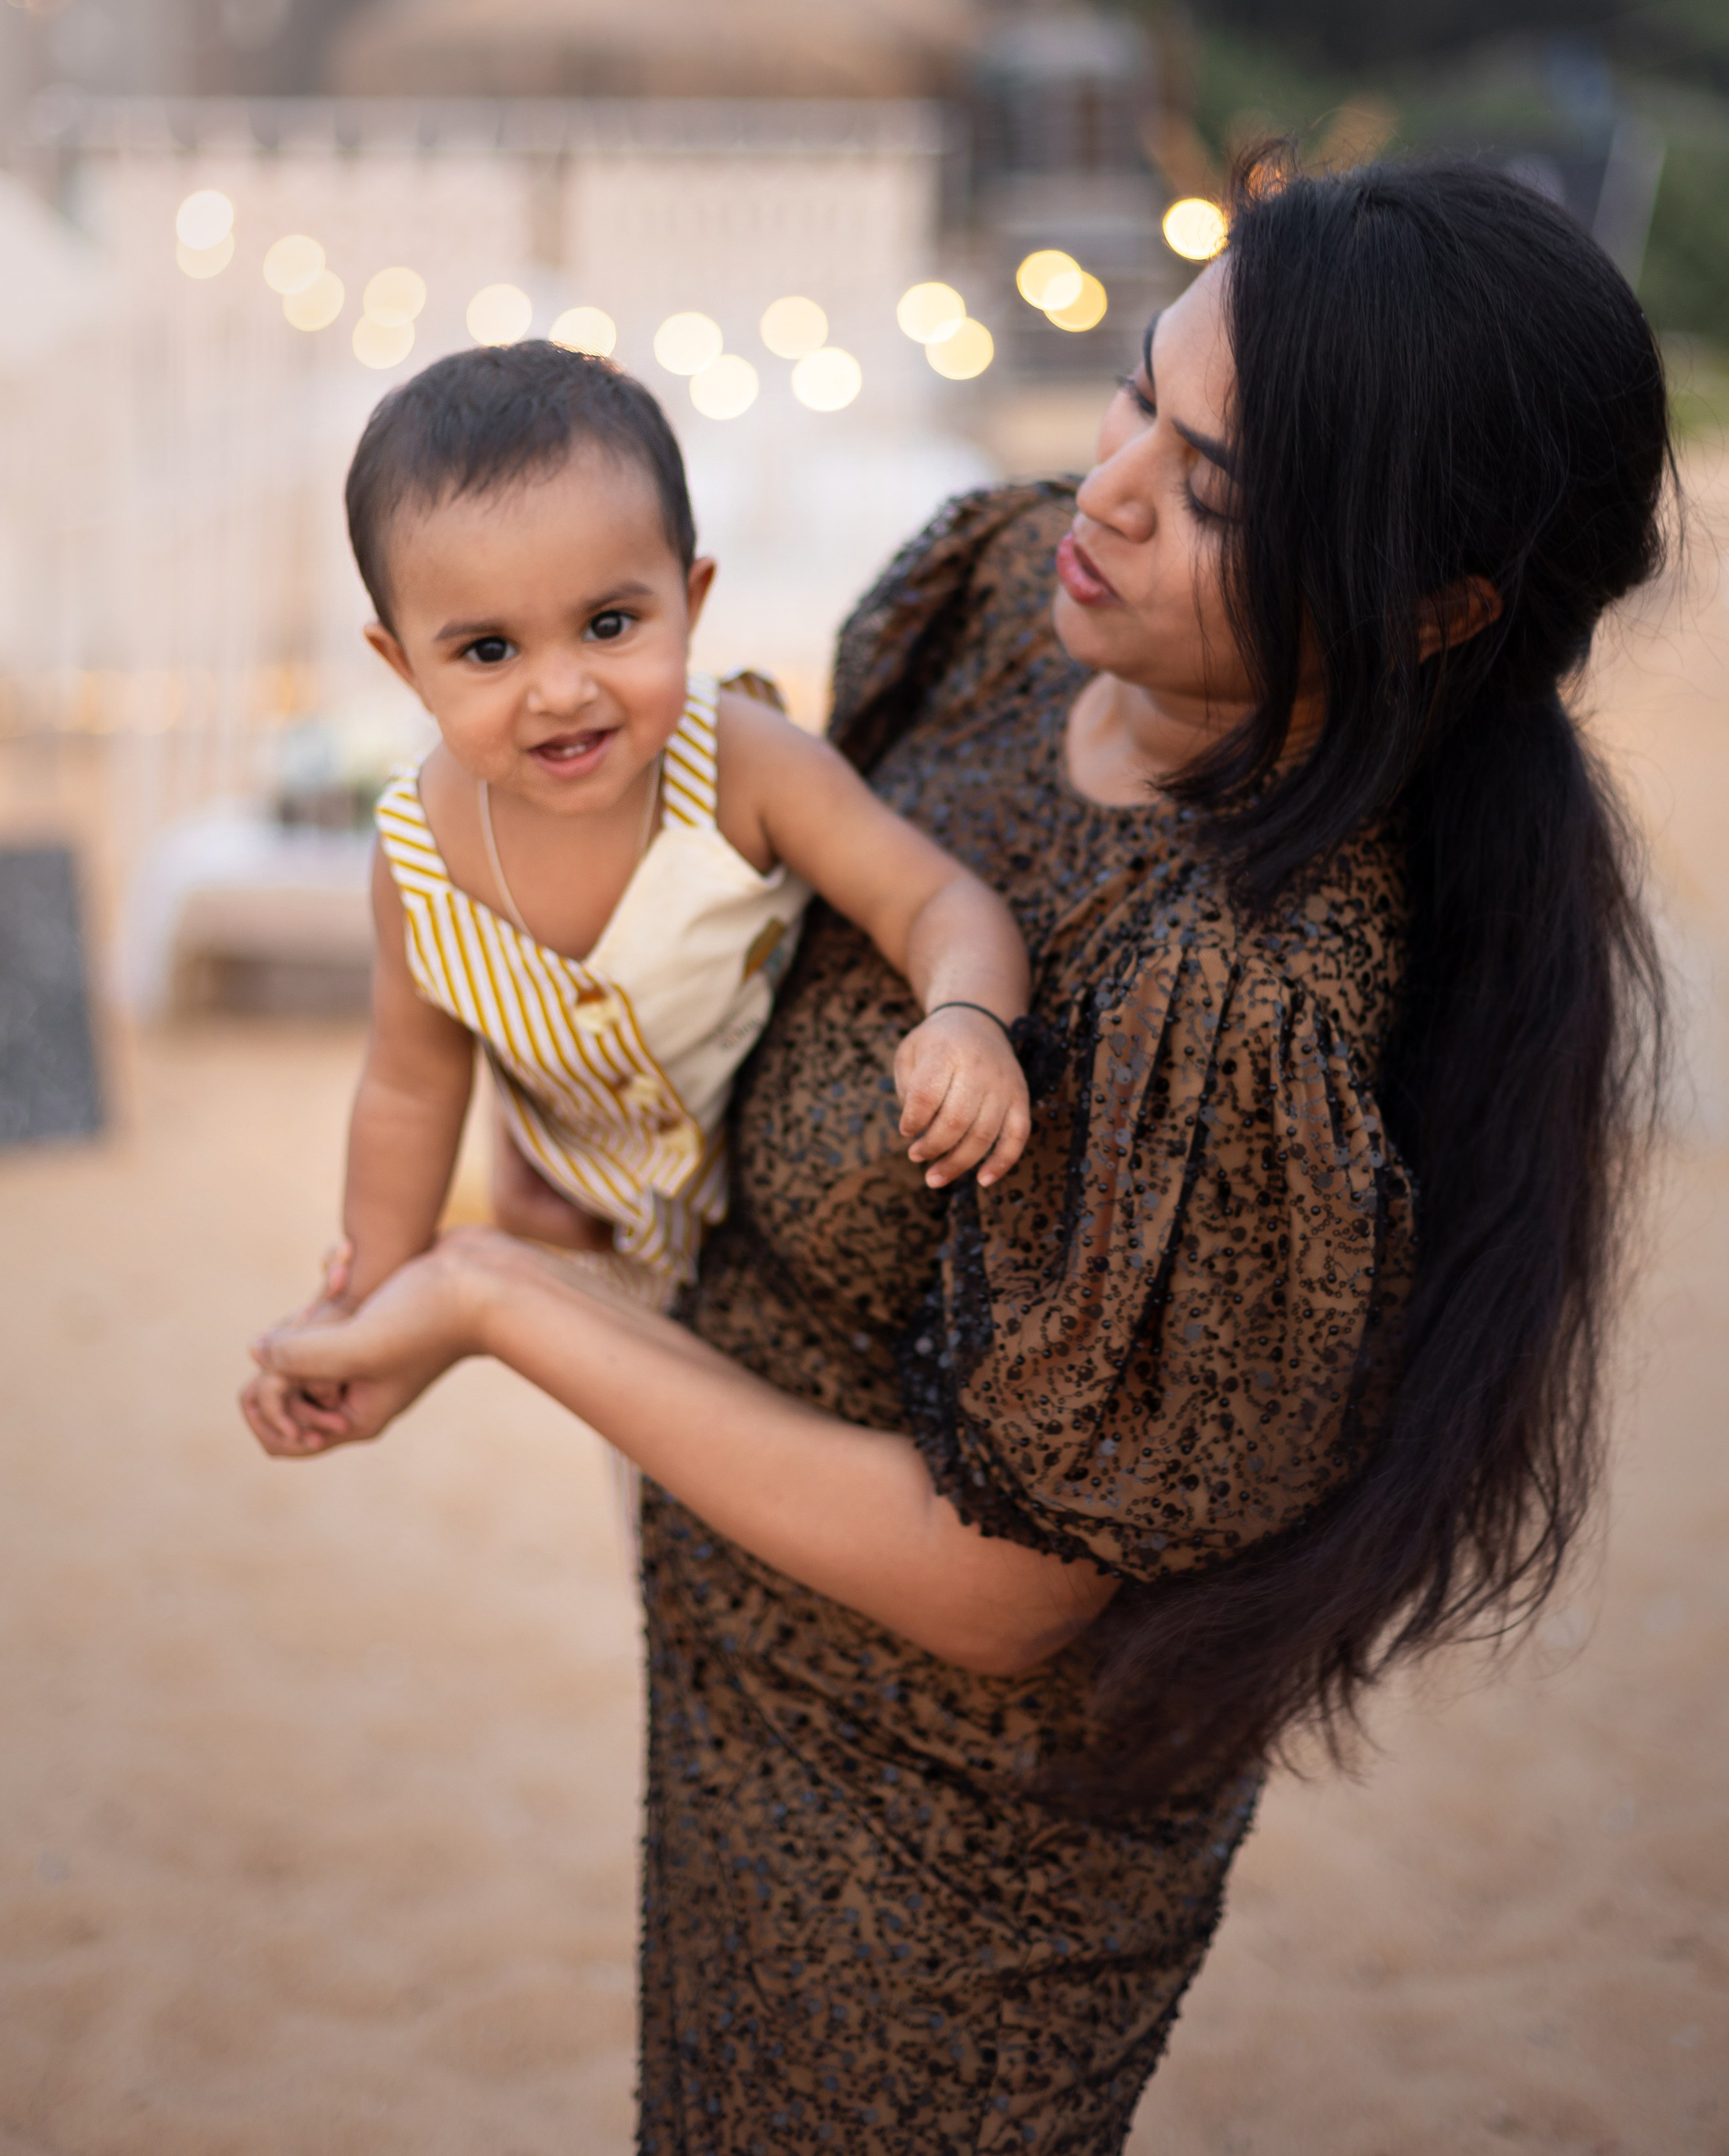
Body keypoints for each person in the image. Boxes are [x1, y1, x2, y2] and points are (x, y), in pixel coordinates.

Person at [244, 157, 1671, 2153]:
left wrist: (494, 1296)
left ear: (1431, 608)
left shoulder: (1234, 1003)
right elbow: (743, 906)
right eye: (1135, 398)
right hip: (731, 1671)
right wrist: (572, 1096)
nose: (1108, 494)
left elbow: (1005, 1597)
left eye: (1219, 496)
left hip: (950, 1844)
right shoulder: (1018, 601)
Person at [244, 342, 1031, 1438]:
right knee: (664, 1493)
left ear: (691, 598)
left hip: (815, 1240)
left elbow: (935, 899)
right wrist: (363, 1312)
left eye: (611, 625)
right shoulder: (420, 861)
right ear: (401, 668)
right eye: (486, 650)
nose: (561, 690)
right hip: (610, 1253)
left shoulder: (740, 763)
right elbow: (410, 1090)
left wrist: (967, 1016)